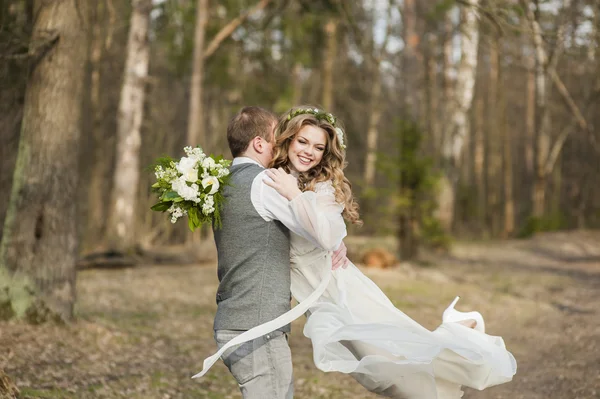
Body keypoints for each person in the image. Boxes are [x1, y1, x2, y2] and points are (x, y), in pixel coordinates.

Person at [260, 106, 517, 398]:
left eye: (318, 147)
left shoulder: (323, 187)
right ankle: (457, 325)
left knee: (388, 368)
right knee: (384, 371)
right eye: (303, 142)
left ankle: (462, 327)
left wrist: (295, 194)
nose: (309, 152)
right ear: (289, 139)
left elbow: (329, 236)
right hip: (314, 291)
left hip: (341, 288)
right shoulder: (272, 178)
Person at [194, 106, 349, 399]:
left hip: (234, 321)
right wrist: (332, 234)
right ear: (258, 143)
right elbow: (320, 234)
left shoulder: (221, 184)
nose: (282, 144)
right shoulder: (265, 184)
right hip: (257, 328)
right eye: (278, 138)